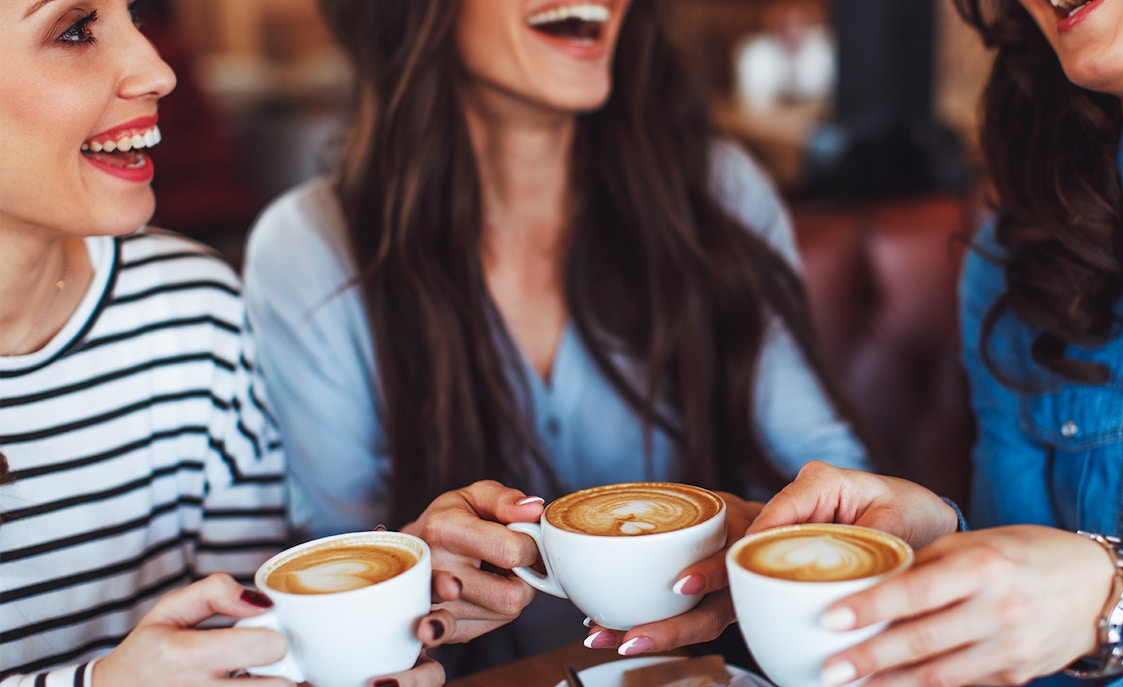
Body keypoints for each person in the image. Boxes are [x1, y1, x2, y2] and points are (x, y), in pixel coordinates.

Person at [243, 0, 872, 671]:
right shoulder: (308, 250)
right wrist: (416, 559)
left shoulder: (719, 196)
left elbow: (840, 482)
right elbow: (335, 575)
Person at [734, 0, 1123, 685]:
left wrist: (1119, 605)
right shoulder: (1021, 256)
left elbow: (1084, 600)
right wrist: (942, 542)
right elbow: (1028, 628)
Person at [0, 2, 450, 685]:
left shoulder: (190, 309)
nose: (158, 71)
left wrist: (379, 608)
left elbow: (246, 642)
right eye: (74, 30)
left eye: (136, 15)